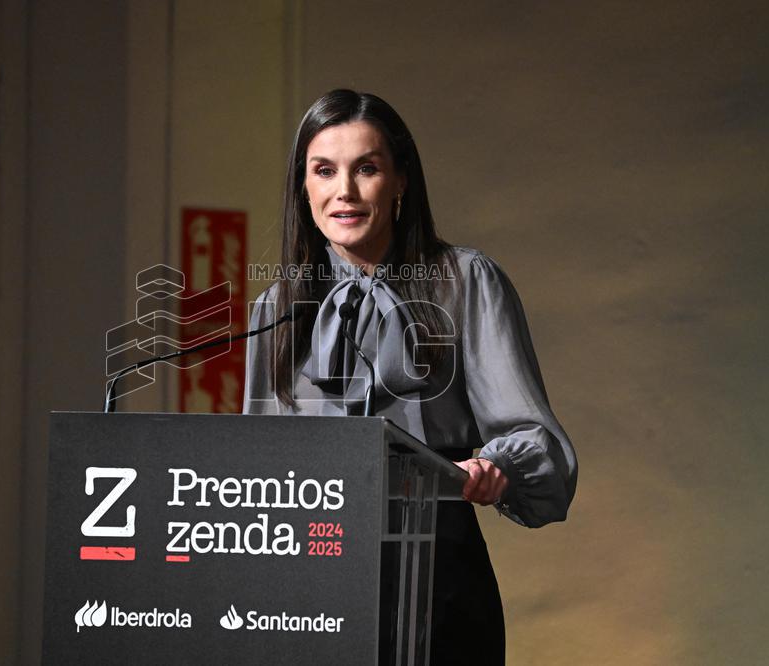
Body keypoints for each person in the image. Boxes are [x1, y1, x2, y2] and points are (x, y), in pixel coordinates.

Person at [242, 89, 577, 665]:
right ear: (304, 186)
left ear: (401, 182)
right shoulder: (278, 306)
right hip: (309, 591)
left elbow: (532, 434)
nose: (343, 191)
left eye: (366, 169)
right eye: (324, 171)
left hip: (435, 577)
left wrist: (496, 465)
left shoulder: (464, 281)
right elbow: (255, 470)